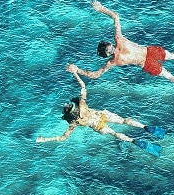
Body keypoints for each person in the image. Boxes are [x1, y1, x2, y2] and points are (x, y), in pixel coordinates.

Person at [72, 1, 174, 96]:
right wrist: (101, 9)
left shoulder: (113, 62)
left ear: (106, 54)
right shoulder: (119, 40)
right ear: (109, 45)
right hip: (149, 52)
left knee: (169, 76)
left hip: (146, 63)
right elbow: (116, 16)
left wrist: (77, 70)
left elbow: (95, 75)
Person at [36, 66, 165, 156]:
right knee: (124, 120)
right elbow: (83, 85)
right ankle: (145, 127)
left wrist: (45, 139)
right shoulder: (82, 105)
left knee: (115, 134)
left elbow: (62, 138)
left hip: (98, 126)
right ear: (73, 107)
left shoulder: (74, 122)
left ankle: (134, 141)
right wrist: (75, 72)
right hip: (102, 115)